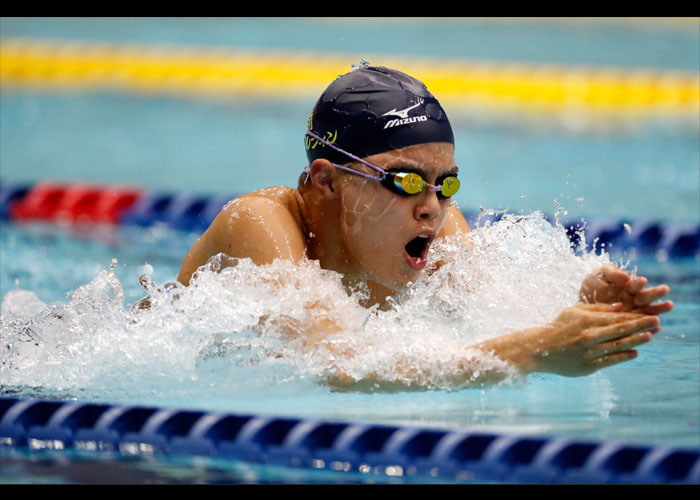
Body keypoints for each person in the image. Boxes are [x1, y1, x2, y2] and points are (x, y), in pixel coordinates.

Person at [178, 65, 673, 388]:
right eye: (405, 180)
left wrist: (581, 313)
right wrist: (535, 349)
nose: (432, 207)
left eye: (445, 184)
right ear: (328, 181)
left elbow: (490, 317)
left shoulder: (431, 225)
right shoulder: (260, 223)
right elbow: (336, 368)